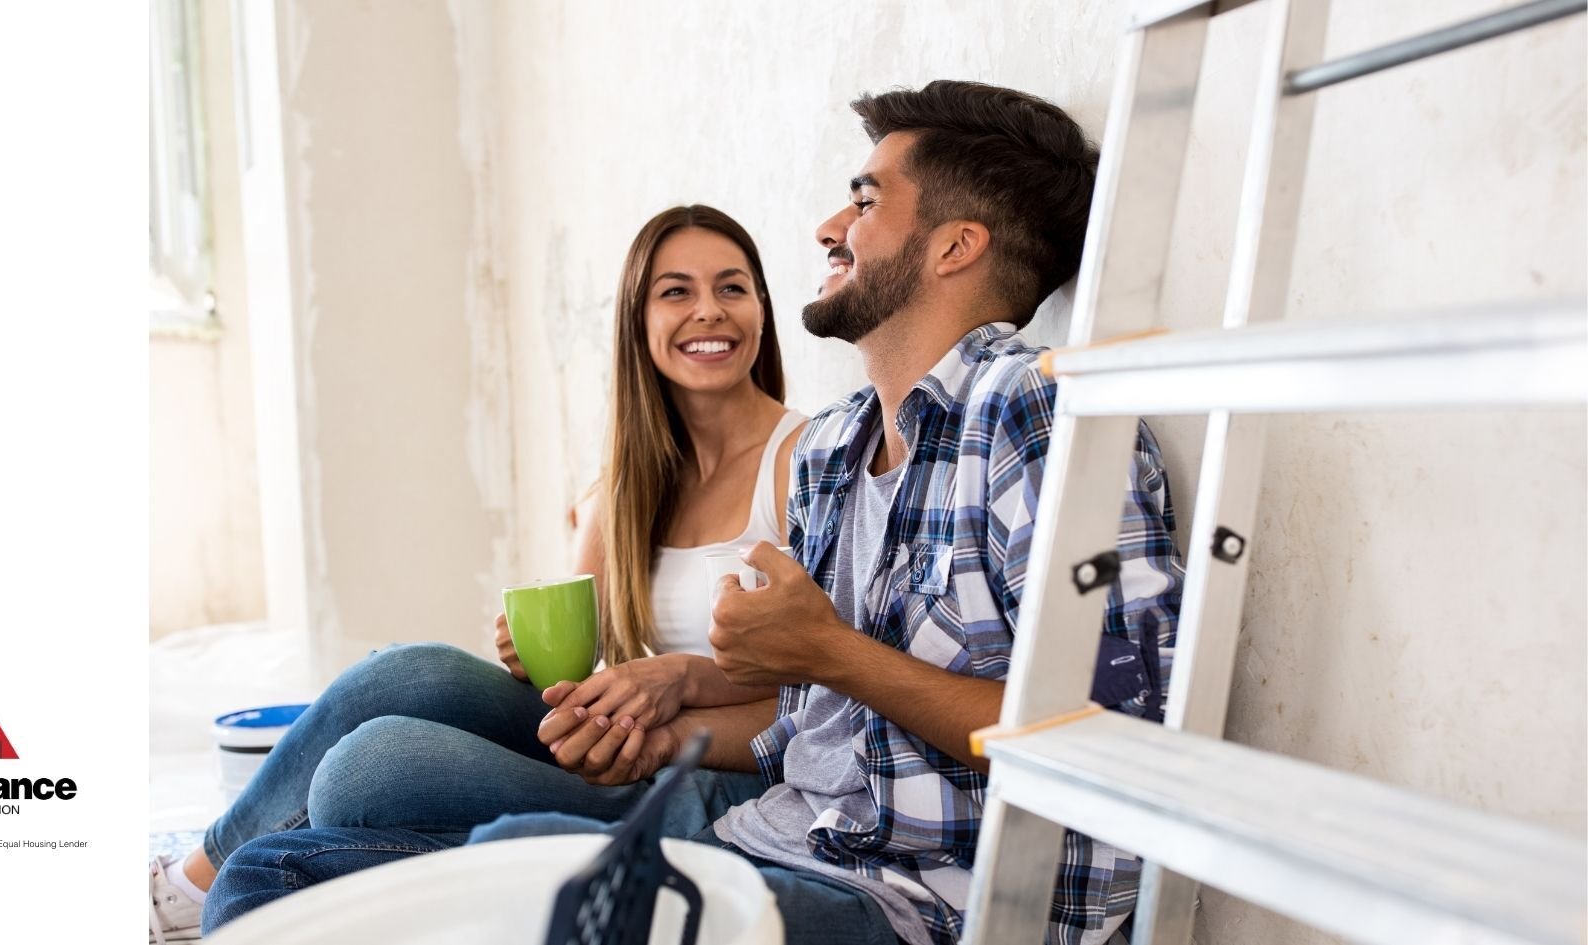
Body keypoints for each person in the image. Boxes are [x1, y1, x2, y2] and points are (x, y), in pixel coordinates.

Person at [201, 81, 1185, 945]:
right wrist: (677, 690)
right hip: (777, 838)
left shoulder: (1034, 414)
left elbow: (1111, 743)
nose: (827, 229)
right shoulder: (843, 449)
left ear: (954, 247)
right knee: (272, 875)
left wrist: (824, 653)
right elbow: (811, 728)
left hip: (921, 904)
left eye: (866, 200)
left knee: (514, 853)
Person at [148, 204, 807, 941]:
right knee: (406, 673)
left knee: (362, 774)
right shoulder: (630, 484)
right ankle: (185, 885)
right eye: (676, 291)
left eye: (733, 287)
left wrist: (667, 712)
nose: (709, 311)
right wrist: (540, 659)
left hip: (721, 768)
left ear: (761, 308)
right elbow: (589, 664)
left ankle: (231, 886)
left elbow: (828, 691)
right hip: (629, 736)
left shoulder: (805, 460)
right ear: (637, 320)